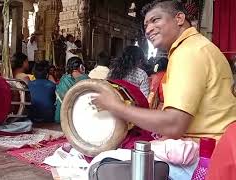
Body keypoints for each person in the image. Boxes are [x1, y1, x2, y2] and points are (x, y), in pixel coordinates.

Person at [91, 1, 236, 179]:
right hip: (216, 148)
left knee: (102, 163)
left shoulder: (189, 52)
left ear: (179, 18)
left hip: (206, 158)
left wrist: (116, 107)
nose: (149, 29)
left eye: (155, 20)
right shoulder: (198, 46)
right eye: (146, 25)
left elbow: (174, 124)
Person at [55, 57, 89, 122]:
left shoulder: (63, 80)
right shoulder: (86, 79)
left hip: (62, 118)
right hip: (81, 119)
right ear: (81, 66)